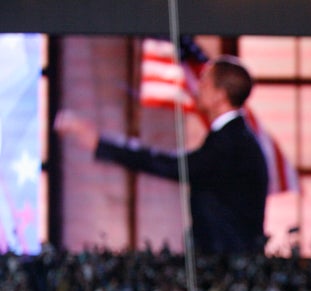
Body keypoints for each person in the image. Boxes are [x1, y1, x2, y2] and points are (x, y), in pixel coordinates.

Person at [55, 55, 268, 255]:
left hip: (229, 261)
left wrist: (101, 144)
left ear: (220, 95)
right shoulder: (233, 137)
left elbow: (173, 166)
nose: (197, 88)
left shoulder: (231, 142)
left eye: (204, 82)